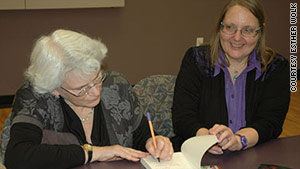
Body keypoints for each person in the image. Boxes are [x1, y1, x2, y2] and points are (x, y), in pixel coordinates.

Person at [4, 29, 173, 169]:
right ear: (54, 89)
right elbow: (18, 156)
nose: (95, 92)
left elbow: (141, 134)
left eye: (98, 78)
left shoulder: (116, 85)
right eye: (81, 89)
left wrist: (154, 141)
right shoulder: (35, 96)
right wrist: (95, 152)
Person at [172, 0, 290, 155]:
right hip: (200, 155)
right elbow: (182, 117)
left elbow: (271, 122)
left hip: (253, 154)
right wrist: (207, 140)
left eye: (247, 30)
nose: (237, 38)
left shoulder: (276, 67)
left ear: (259, 32)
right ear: (220, 28)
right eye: (230, 27)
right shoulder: (196, 60)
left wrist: (239, 140)